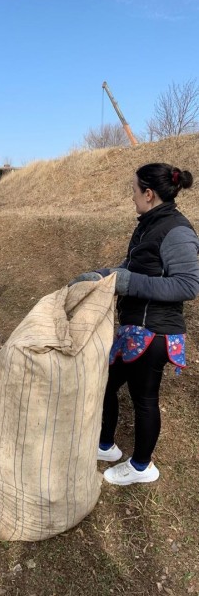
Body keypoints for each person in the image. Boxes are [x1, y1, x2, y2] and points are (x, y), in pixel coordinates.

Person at [70, 163, 199, 485]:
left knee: (144, 400)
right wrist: (101, 275)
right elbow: (132, 266)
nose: (132, 198)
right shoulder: (149, 225)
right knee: (107, 385)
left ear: (149, 193)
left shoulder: (177, 231)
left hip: (155, 332)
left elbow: (188, 285)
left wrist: (128, 283)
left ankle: (142, 467)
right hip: (134, 330)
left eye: (133, 192)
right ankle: (106, 446)